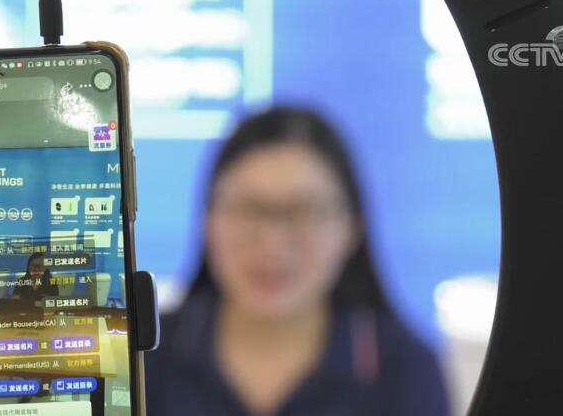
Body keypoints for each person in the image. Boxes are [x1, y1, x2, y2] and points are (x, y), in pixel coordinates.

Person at [144, 108, 450, 416]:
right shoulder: (144, 355)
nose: (273, 243)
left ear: (352, 229)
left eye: (304, 212)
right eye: (249, 209)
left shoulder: (405, 368)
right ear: (206, 220)